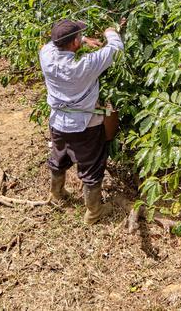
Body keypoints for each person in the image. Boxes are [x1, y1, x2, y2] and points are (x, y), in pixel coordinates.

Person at [39, 17, 124, 224]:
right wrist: (110, 31)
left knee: (59, 157)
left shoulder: (46, 55)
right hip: (85, 126)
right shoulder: (85, 65)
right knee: (92, 167)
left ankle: (57, 194)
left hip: (58, 122)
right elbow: (116, 49)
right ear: (74, 43)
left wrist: (84, 39)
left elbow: (53, 42)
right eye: (78, 36)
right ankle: (94, 212)